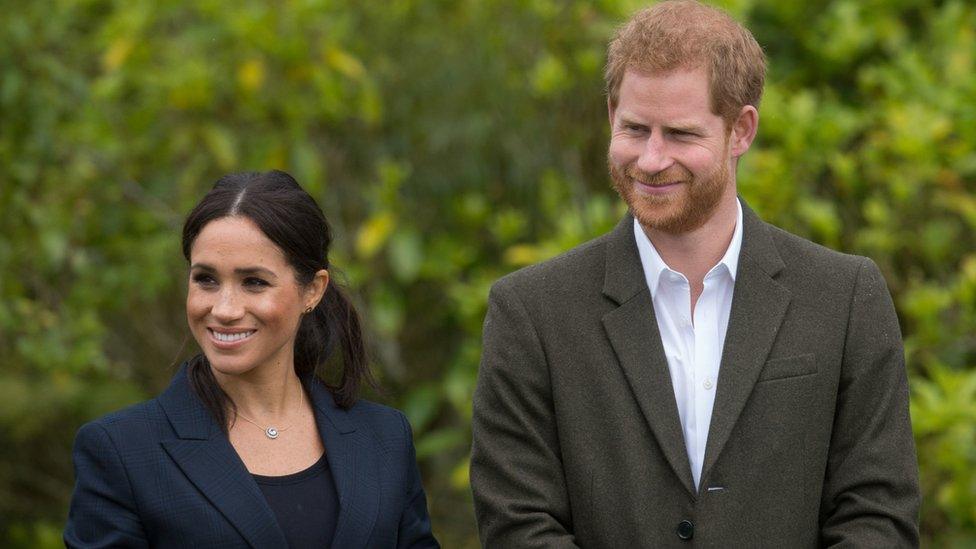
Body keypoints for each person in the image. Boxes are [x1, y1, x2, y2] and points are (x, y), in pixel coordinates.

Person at [470, 1, 920, 546]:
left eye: (681, 134)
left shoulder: (845, 296)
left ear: (742, 130)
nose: (652, 159)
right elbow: (518, 523)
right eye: (635, 129)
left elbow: (878, 516)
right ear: (612, 115)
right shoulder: (532, 311)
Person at [65, 171, 439, 548]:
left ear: (312, 290)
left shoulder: (385, 438)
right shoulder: (122, 451)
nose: (224, 309)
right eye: (206, 280)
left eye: (254, 282)